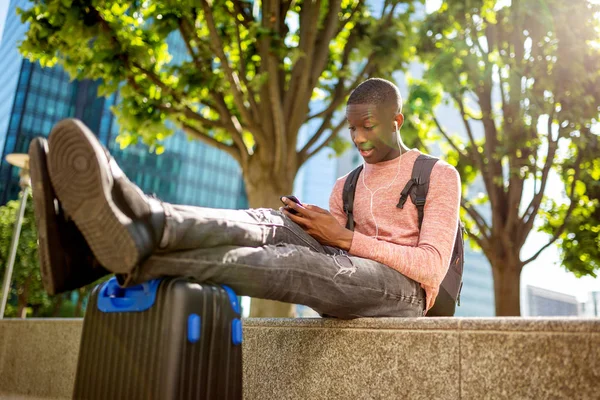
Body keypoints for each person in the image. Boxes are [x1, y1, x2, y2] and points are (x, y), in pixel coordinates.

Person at [30, 78, 461, 319]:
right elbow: (335, 253)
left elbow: (430, 266)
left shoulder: (437, 175)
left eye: (369, 126)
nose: (359, 139)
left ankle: (100, 256)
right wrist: (318, 227)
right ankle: (150, 218)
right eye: (353, 129)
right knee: (273, 222)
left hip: (405, 296)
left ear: (397, 120)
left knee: (299, 262)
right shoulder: (345, 184)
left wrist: (346, 240)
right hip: (351, 270)